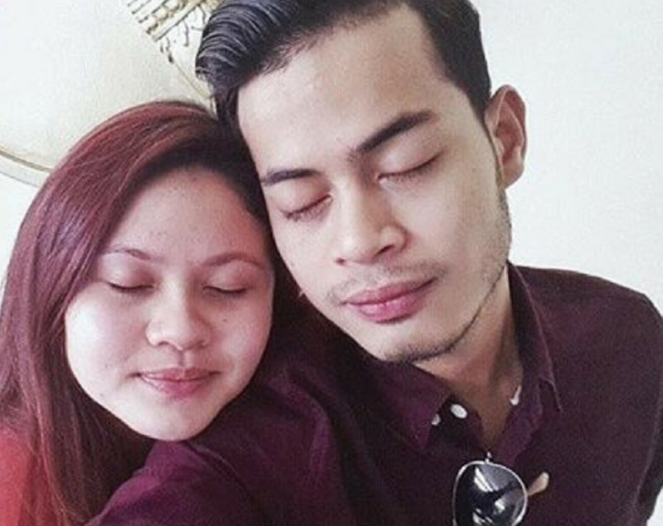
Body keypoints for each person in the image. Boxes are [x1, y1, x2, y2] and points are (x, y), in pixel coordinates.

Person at [88, 1, 663, 525]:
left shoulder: (627, 344)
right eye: (302, 202)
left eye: (406, 165)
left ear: (505, 139)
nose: (359, 241)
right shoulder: (248, 456)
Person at [0, 100, 284, 525]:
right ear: (53, 289)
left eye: (228, 287)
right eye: (128, 283)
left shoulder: (297, 421)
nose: (180, 330)